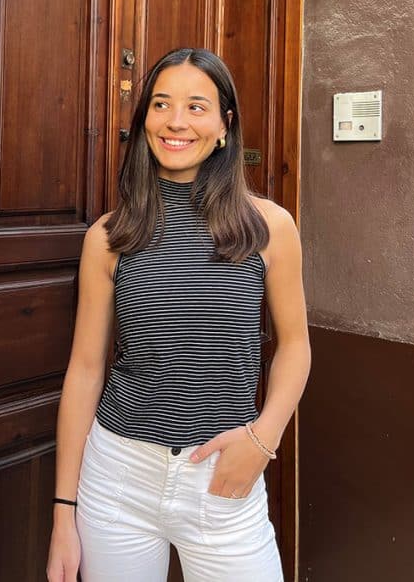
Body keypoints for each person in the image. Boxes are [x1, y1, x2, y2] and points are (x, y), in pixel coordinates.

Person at [46, 48, 311, 582]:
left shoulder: (270, 226)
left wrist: (263, 442)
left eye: (196, 106)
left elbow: (296, 345)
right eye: (162, 104)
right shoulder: (108, 236)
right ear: (144, 118)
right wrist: (63, 513)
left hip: (222, 477)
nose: (176, 122)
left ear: (223, 125)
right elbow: (85, 370)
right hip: (116, 478)